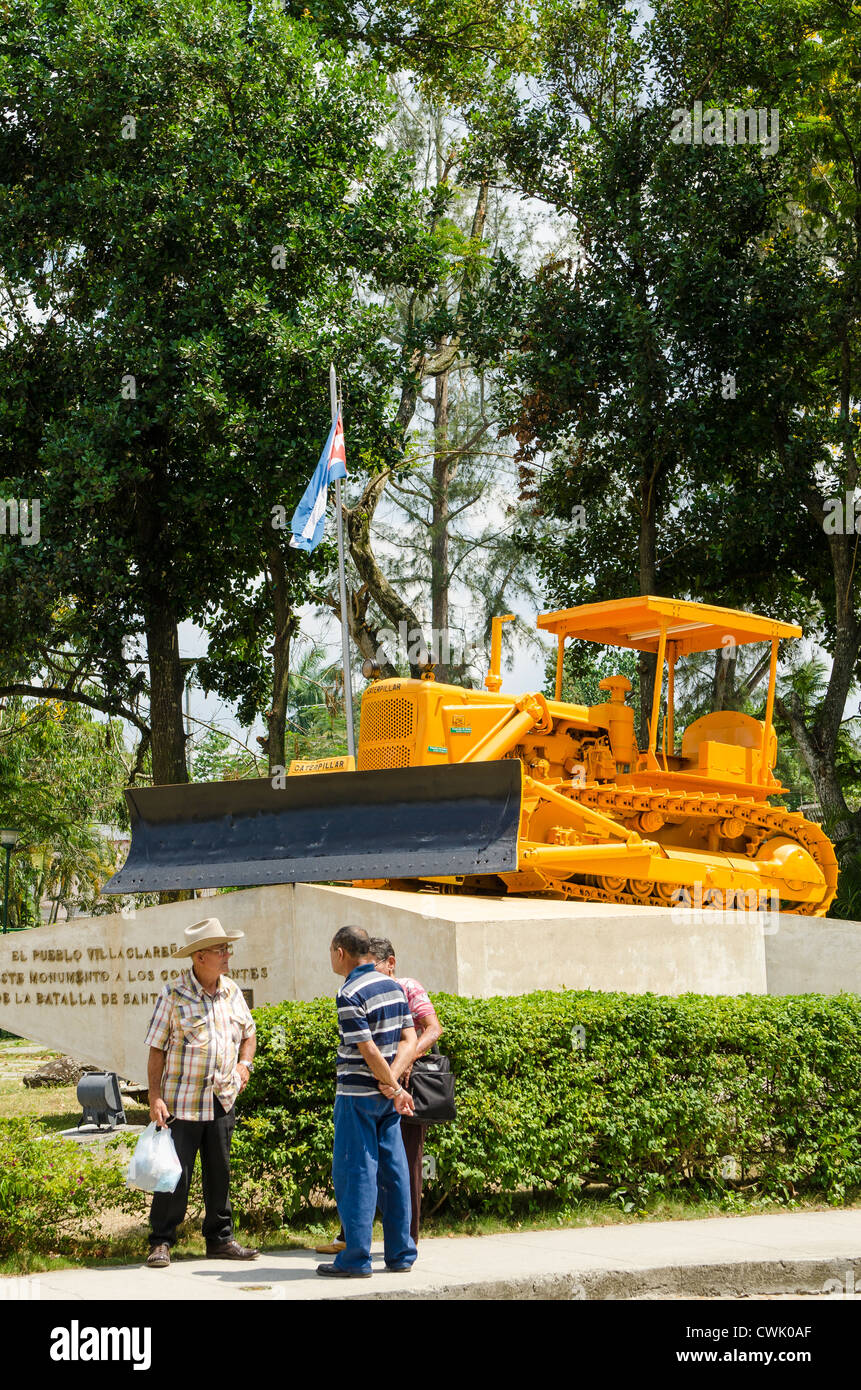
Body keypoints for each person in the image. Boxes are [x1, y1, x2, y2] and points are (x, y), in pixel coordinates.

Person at [144, 917, 259, 1268]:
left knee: (219, 1172)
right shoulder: (173, 994)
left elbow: (249, 1034)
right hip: (181, 1101)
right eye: (220, 949)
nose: (228, 955)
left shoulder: (232, 991)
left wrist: (245, 1065)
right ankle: (161, 1241)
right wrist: (154, 1096)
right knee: (173, 1176)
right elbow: (156, 1049)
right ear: (199, 957)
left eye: (227, 948)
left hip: (222, 1099)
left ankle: (220, 1240)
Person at [316, 936, 443, 1255]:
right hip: (393, 1092)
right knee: (394, 1169)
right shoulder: (391, 989)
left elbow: (375, 1046)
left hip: (372, 1093)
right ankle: (400, 1252)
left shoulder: (358, 991)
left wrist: (393, 1079)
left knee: (360, 1170)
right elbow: (406, 1038)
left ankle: (360, 1255)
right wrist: (393, 1082)